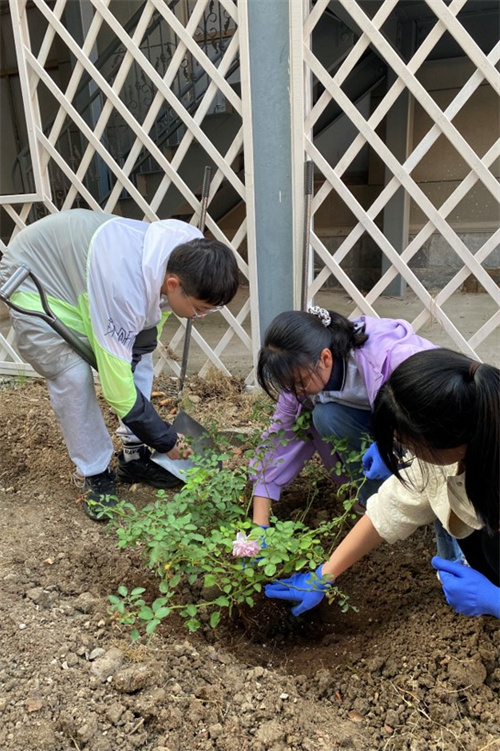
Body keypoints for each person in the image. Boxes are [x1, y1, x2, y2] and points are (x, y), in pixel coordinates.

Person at [0, 209, 239, 520]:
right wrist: (165, 439)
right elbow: (117, 391)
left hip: (86, 275)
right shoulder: (123, 288)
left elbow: (149, 321)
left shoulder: (189, 250)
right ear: (173, 283)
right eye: (200, 308)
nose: (202, 316)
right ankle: (94, 472)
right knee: (72, 375)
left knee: (138, 361)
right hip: (36, 277)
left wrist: (131, 360)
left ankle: (133, 455)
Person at [264, 349, 500, 619]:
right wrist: (323, 575)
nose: (406, 452)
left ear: (444, 441)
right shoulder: (462, 446)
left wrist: (494, 600)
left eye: (407, 444)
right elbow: (393, 506)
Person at [251, 306, 438, 527]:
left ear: (325, 358)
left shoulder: (387, 357)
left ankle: (422, 503)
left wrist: (390, 442)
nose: (296, 392)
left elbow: (435, 414)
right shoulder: (299, 379)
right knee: (326, 416)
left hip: (426, 433)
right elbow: (277, 442)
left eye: (300, 383)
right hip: (380, 431)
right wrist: (260, 526)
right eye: (288, 385)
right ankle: (376, 506)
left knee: (437, 491)